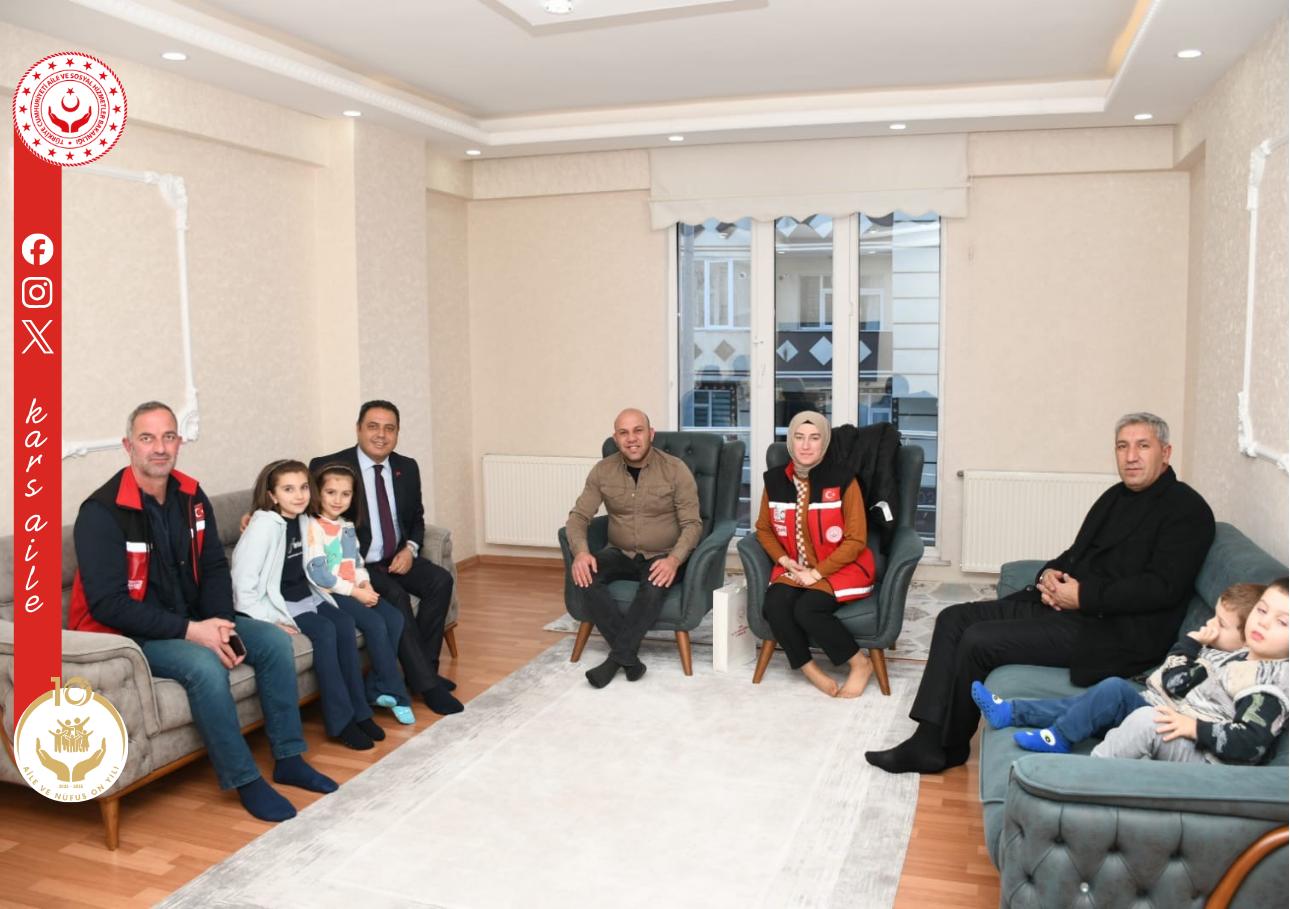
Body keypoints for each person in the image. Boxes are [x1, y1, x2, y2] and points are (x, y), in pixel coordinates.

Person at [866, 412, 1216, 775]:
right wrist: (1048, 574)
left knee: (978, 640)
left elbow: (1161, 588)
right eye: (1122, 446)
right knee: (953, 618)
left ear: (1165, 452)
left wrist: (1082, 596)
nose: (1131, 457)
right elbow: (1076, 553)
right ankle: (928, 739)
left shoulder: (1187, 510)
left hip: (1113, 632)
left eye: (1143, 446)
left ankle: (945, 745)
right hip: (1068, 609)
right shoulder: (1115, 497)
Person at [70, 402, 337, 822]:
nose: (160, 448)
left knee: (271, 642)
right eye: (147, 438)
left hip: (195, 618)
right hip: (130, 633)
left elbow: (213, 566)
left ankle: (289, 758)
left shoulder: (192, 496)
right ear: (128, 446)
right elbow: (108, 604)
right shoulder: (101, 513)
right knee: (204, 666)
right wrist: (193, 631)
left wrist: (221, 624)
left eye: (168, 437)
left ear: (179, 442)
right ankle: (244, 779)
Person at [972, 582, 1268, 755]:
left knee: (1113, 689)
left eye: (1221, 624)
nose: (1210, 625)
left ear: (1246, 639)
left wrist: (1190, 645)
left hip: (1163, 725)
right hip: (1153, 707)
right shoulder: (1217, 651)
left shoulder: (1225, 664)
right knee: (1079, 704)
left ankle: (1059, 738)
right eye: (1213, 616)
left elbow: (1174, 682)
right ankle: (1010, 712)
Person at [312, 401, 462, 716]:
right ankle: (428, 686)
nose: (381, 435)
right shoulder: (330, 466)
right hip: (359, 563)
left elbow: (417, 518)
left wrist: (411, 548)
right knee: (395, 596)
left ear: (397, 433)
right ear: (358, 429)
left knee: (440, 580)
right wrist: (256, 514)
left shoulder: (407, 467)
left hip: (397, 556)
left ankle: (426, 670)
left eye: (389, 428)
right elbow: (296, 502)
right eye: (373, 426)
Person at [232, 460, 387, 750]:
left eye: (303, 487)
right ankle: (341, 722)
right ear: (272, 495)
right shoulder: (262, 528)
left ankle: (360, 712)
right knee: (326, 631)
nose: (299, 495)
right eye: (288, 489)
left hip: (308, 593)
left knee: (345, 623)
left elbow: (332, 504)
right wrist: (269, 620)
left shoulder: (304, 518)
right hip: (282, 603)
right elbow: (242, 588)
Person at [566, 408, 702, 688]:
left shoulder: (675, 469)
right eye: (623, 433)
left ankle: (615, 660)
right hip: (620, 552)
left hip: (663, 554)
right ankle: (628, 659)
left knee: (653, 586)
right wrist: (581, 552)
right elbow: (578, 517)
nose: (631, 439)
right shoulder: (602, 471)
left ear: (651, 434)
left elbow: (692, 524)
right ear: (615, 438)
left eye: (638, 431)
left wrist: (674, 560)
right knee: (585, 575)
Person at [1092, 578, 1288, 763]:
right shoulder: (1239, 656)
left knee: (1147, 721)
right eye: (1262, 610)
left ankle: (1088, 773)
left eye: (1282, 622)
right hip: (1186, 725)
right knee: (1116, 692)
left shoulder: (1270, 683)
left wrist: (1194, 728)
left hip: (1210, 760)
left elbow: (1249, 743)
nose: (1263, 622)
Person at [753, 412, 878, 698]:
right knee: (775, 603)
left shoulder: (844, 480)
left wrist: (817, 573)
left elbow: (856, 540)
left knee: (807, 609)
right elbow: (764, 529)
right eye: (799, 437)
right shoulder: (774, 481)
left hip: (842, 567)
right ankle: (809, 668)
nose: (806, 445)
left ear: (825, 442)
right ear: (790, 441)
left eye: (814, 438)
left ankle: (860, 664)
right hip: (796, 567)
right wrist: (784, 560)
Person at [305, 461, 415, 725]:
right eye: (331, 492)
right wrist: (355, 592)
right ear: (318, 492)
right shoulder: (311, 526)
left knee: (395, 618)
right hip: (330, 593)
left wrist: (365, 584)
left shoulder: (346, 526)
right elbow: (320, 575)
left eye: (345, 494)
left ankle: (377, 689)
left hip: (354, 588)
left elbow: (356, 563)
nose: (338, 500)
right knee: (375, 623)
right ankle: (398, 695)